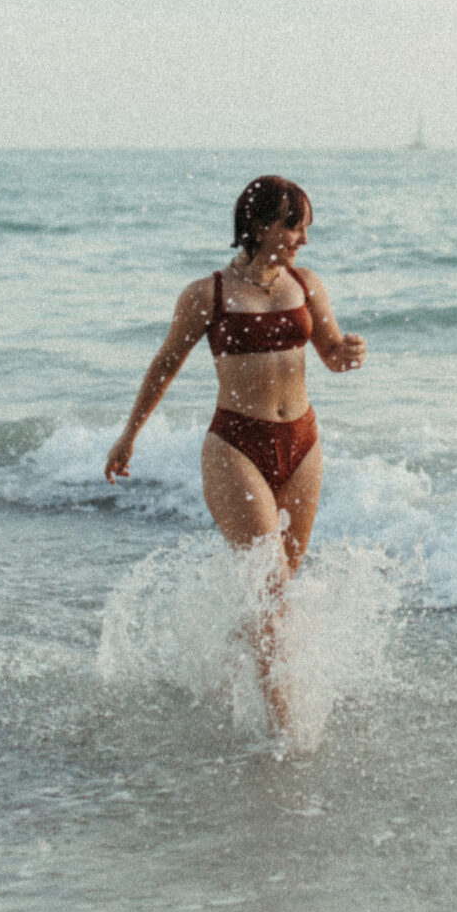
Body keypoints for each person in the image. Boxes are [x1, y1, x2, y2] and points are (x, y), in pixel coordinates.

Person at [105, 175, 365, 730]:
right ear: (257, 225)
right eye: (293, 226)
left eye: (306, 229)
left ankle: (223, 671)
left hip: (302, 444)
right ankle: (285, 725)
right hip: (235, 447)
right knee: (268, 587)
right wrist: (129, 435)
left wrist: (349, 352)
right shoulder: (208, 295)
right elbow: (165, 365)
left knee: (276, 592)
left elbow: (332, 357)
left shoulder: (307, 284)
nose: (302, 240)